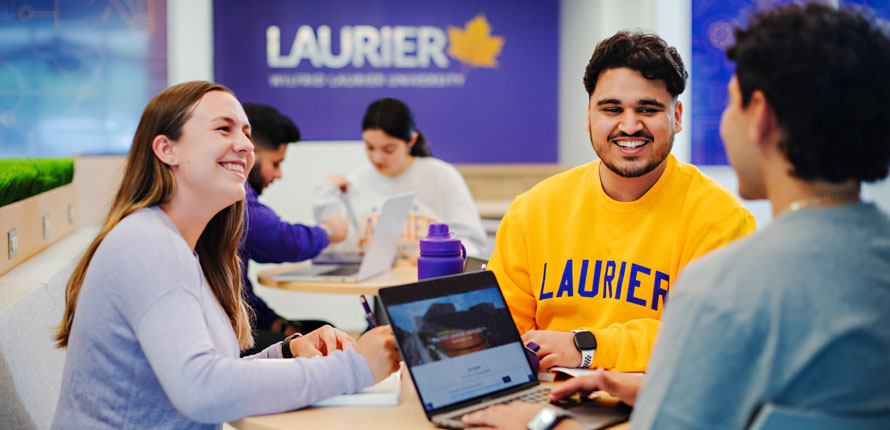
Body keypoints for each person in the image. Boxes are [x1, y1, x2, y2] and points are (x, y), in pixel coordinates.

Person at [462, 3, 890, 429]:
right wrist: (642, 386)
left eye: (731, 102)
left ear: (759, 117)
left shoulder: (731, 281)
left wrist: (539, 421)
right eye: (611, 109)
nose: (629, 124)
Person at [51, 81, 400, 429]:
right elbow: (203, 390)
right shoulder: (146, 243)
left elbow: (212, 374)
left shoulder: (189, 248)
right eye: (224, 128)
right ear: (166, 149)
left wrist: (288, 353)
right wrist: (354, 368)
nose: (246, 146)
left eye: (247, 133)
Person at [489, 31, 755, 373]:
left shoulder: (721, 221)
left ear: (676, 116)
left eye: (648, 109)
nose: (629, 126)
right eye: (612, 109)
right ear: (588, 116)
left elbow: (711, 341)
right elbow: (500, 329)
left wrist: (586, 348)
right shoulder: (533, 211)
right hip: (547, 405)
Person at [314, 97, 488, 258]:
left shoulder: (442, 176)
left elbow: (473, 242)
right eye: (369, 147)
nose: (377, 158)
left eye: (388, 150)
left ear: (410, 141)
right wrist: (327, 198)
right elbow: (345, 250)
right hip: (377, 286)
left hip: (431, 284)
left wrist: (438, 254)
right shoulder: (356, 182)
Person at [239, 102, 348, 354]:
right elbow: (281, 239)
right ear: (250, 152)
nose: (279, 175)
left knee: (322, 331)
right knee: (324, 343)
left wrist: (277, 323)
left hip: (235, 321)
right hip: (224, 335)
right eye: (276, 163)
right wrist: (328, 232)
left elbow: (240, 293)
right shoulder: (234, 201)